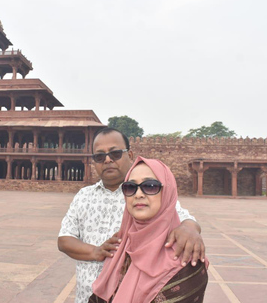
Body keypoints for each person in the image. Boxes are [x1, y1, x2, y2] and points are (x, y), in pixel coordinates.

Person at [58, 128, 205, 303]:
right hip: (89, 293)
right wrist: (96, 252)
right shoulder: (84, 196)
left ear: (130, 154)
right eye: (99, 156)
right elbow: (64, 239)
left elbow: (181, 217)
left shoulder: (145, 198)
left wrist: (189, 228)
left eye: (115, 153)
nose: (107, 160)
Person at [89, 157, 208, 303]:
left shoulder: (186, 257)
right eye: (130, 187)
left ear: (167, 192)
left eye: (150, 186)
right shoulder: (120, 249)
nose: (138, 194)